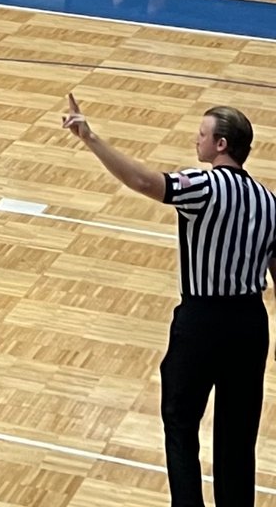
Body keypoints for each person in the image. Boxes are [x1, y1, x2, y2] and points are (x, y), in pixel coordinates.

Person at [61, 99, 276, 507]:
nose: (196, 139)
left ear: (221, 145)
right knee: (238, 435)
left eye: (202, 134)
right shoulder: (269, 202)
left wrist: (90, 137)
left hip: (202, 321)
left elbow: (144, 182)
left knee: (180, 422)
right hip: (250, 324)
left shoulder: (203, 186)